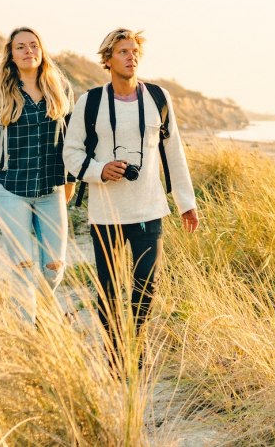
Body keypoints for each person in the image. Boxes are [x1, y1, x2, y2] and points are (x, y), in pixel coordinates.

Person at [64, 27, 198, 359]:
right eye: (123, 51)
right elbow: (71, 152)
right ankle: (113, 351)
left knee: (146, 286)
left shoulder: (158, 98)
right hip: (106, 210)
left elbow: (175, 153)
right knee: (109, 289)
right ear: (107, 60)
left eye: (134, 51)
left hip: (149, 209)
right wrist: (100, 170)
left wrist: (186, 203)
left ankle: (133, 344)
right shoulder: (90, 101)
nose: (131, 56)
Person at [0, 26, 74, 323]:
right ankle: (27, 330)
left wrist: (70, 180)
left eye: (33, 45)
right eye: (21, 47)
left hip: (51, 190)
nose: (28, 50)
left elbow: (71, 143)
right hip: (10, 191)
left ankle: (43, 311)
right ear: (11, 55)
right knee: (21, 265)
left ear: (42, 52)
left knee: (53, 267)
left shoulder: (60, 90)